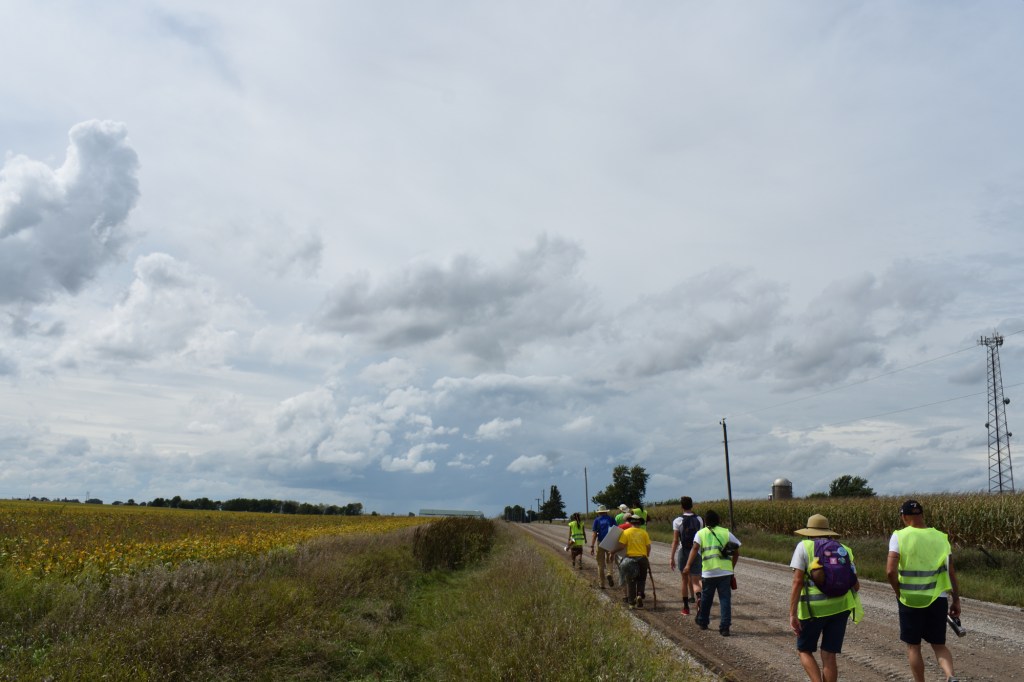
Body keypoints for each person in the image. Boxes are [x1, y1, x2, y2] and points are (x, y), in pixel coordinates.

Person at [886, 500, 961, 682]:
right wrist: (956, 599)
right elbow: (950, 571)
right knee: (939, 645)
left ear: (904, 516)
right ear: (922, 515)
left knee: (914, 646)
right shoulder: (941, 537)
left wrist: (898, 592)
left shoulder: (899, 536)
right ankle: (950, 676)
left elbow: (890, 571)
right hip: (937, 597)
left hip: (910, 598)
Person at [788, 514, 861, 682]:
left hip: (813, 610)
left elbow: (797, 582)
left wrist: (792, 614)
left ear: (809, 532)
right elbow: (856, 586)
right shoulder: (844, 549)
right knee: (829, 654)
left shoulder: (804, 547)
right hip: (841, 608)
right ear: (828, 531)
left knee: (804, 650)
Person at [683, 509, 740, 636]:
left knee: (706, 598)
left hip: (709, 572)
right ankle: (725, 628)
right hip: (725, 572)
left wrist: (688, 565)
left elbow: (695, 549)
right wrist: (731, 568)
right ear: (718, 520)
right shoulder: (726, 532)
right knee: (725, 600)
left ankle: (703, 621)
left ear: (706, 521)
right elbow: (736, 552)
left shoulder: (701, 533)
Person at [669, 496, 704, 615]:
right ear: (692, 505)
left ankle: (686, 608)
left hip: (683, 552)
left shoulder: (677, 521)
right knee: (696, 580)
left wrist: (671, 557)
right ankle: (699, 598)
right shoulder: (699, 519)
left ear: (681, 506)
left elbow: (675, 541)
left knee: (684, 580)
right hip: (696, 552)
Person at [614, 514, 651, 609]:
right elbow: (648, 546)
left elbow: (621, 546)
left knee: (631, 581)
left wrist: (613, 551)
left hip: (630, 559)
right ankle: (639, 594)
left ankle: (631, 603)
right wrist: (646, 555)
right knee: (641, 579)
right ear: (640, 523)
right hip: (642, 558)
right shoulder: (644, 533)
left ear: (631, 523)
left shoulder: (626, 532)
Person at [590, 505, 617, 588]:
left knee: (600, 564)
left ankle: (602, 583)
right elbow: (616, 531)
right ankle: (609, 574)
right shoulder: (611, 519)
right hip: (610, 542)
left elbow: (594, 534)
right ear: (606, 512)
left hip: (600, 542)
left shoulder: (597, 520)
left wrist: (592, 546)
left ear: (599, 513)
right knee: (610, 560)